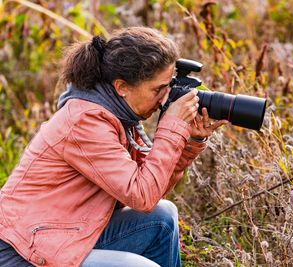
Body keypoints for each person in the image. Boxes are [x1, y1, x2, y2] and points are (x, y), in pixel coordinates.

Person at [0, 26, 227, 267]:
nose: (164, 99)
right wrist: (171, 127)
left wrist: (190, 143)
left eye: (167, 86)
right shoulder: (85, 121)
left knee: (163, 217)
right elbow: (142, 196)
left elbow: (151, 187)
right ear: (122, 87)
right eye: (157, 89)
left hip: (68, 230)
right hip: (24, 252)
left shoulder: (120, 115)